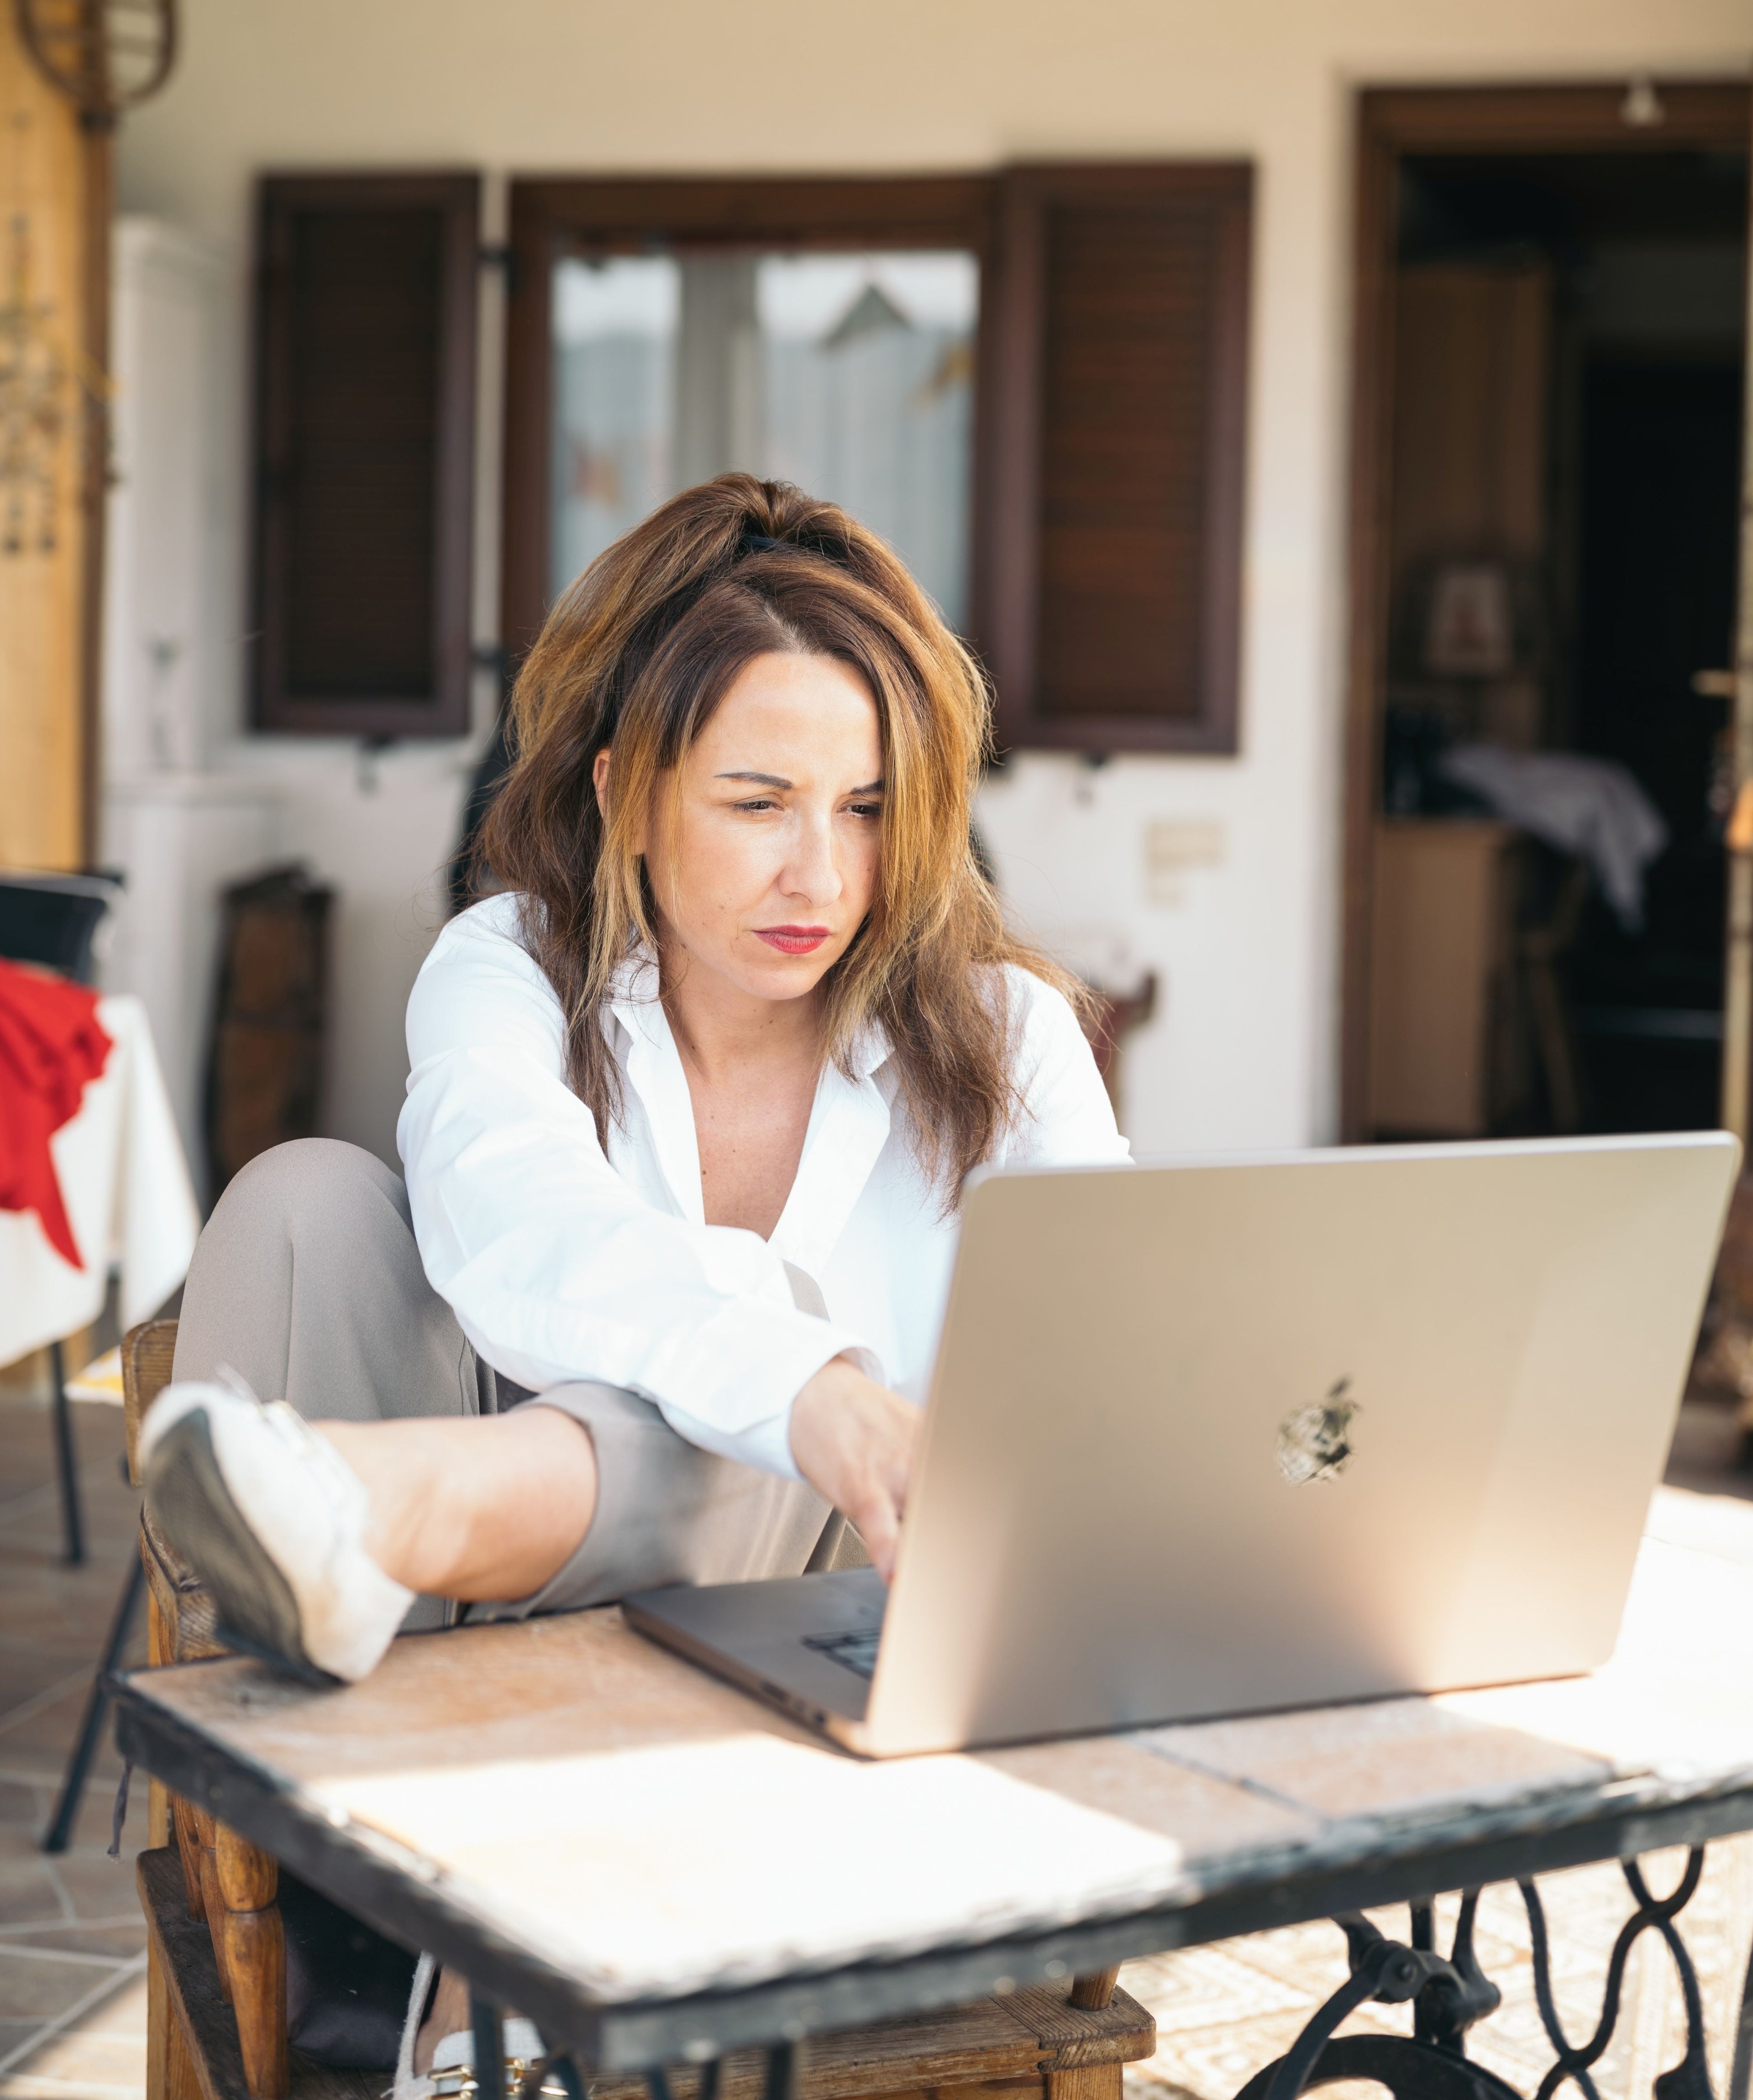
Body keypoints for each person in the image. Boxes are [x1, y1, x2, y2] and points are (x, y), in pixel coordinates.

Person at [142, 474, 1128, 1692]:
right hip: (488, 1646)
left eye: (865, 811)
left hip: (834, 1653)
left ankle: (386, 1505)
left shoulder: (1005, 1034)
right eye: (758, 804)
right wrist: (802, 1389)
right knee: (305, 1201)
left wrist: (806, 1396)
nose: (820, 877)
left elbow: (1103, 1373)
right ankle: (326, 1758)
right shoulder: (508, 964)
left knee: (757, 1394)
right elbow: (520, 1220)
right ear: (627, 797)